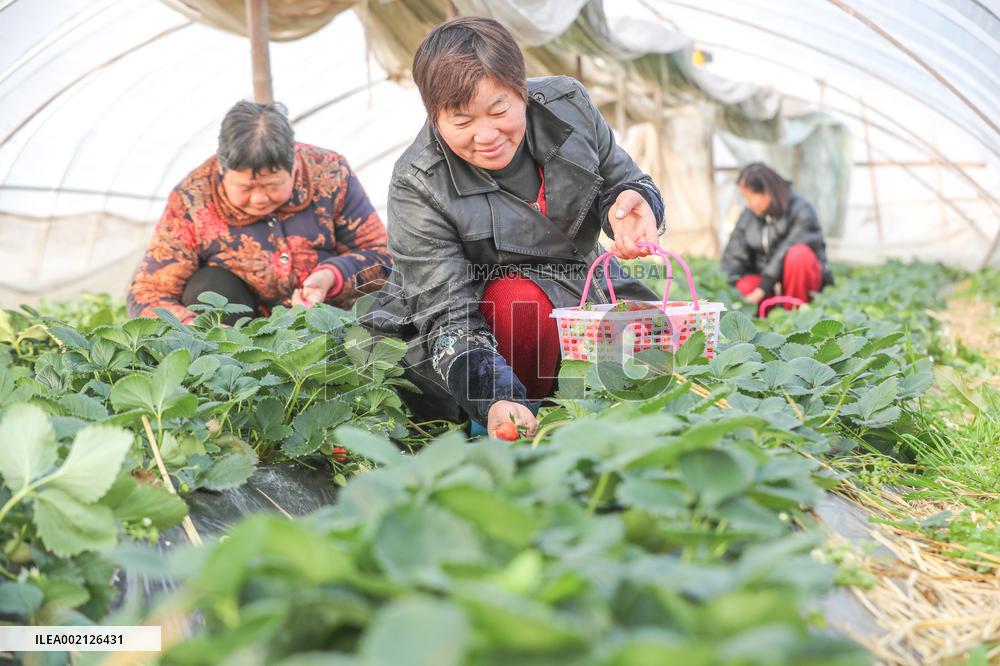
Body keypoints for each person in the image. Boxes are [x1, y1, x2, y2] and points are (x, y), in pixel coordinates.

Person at [364, 17, 666, 439]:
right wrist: (493, 395)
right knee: (517, 303)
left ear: (521, 89)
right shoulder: (418, 181)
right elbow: (449, 316)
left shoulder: (569, 106)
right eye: (461, 121)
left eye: (499, 110)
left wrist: (637, 203)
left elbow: (623, 180)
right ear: (434, 114)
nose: (486, 135)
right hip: (468, 318)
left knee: (663, 356)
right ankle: (499, 430)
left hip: (580, 281)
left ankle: (574, 420)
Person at [126, 100, 392, 324]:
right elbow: (148, 292)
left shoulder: (330, 173)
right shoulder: (192, 199)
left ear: (295, 166)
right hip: (237, 333)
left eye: (272, 185)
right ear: (222, 170)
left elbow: (383, 256)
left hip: (327, 320)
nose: (259, 198)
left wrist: (331, 276)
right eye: (245, 187)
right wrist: (194, 327)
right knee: (209, 284)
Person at [720, 162, 833, 312]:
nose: (748, 205)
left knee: (798, 255)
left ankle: (795, 313)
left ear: (767, 192)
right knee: (744, 287)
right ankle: (771, 315)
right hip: (767, 287)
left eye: (750, 198)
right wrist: (725, 288)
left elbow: (788, 247)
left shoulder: (802, 210)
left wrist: (763, 287)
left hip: (801, 287)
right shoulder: (749, 216)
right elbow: (734, 254)